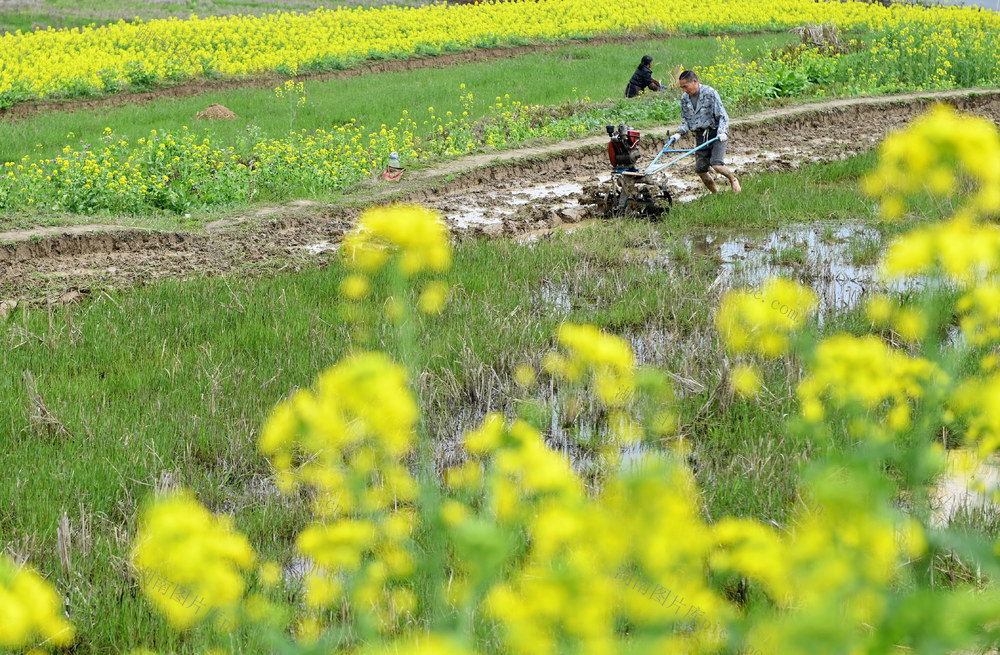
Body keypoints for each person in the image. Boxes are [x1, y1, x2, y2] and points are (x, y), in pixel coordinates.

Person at [672, 70, 741, 194]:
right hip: (700, 135)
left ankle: (733, 179)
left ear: (694, 82)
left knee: (717, 165)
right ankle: (716, 194)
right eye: (682, 87)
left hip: (716, 134)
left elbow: (722, 116)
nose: (684, 90)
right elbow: (686, 121)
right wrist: (679, 133)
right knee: (701, 170)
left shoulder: (710, 93)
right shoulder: (684, 99)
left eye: (685, 87)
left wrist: (723, 133)